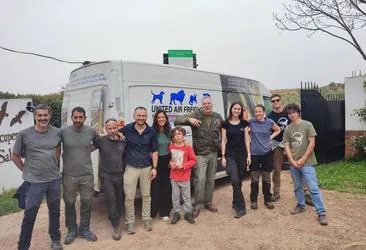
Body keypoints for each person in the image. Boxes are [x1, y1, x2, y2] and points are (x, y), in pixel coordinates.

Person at [12, 104, 63, 250]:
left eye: (45, 115)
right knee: (30, 214)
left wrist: (54, 165)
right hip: (34, 182)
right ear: (35, 116)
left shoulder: (57, 133)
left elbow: (58, 150)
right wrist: (26, 171)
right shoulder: (24, 134)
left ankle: (55, 239)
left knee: (55, 211)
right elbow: (15, 156)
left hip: (53, 180)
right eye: (39, 115)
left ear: (50, 116)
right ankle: (23, 246)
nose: (43, 118)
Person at [174, 96, 223, 218]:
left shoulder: (217, 116)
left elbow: (224, 130)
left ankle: (208, 202)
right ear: (202, 105)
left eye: (209, 103)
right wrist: (189, 119)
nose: (207, 105)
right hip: (200, 154)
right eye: (204, 103)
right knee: (200, 180)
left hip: (213, 152)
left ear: (212, 104)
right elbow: (177, 120)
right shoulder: (195, 114)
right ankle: (197, 205)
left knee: (211, 179)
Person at [283, 103, 328, 225]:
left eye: (293, 112)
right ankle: (301, 205)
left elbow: (312, 143)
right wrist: (291, 160)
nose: (291, 115)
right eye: (289, 113)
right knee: (297, 187)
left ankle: (321, 212)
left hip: (307, 162)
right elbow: (286, 145)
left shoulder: (307, 125)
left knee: (313, 188)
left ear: (298, 112)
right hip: (293, 163)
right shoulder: (288, 128)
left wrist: (303, 159)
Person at [61, 107, 98, 244]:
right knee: (69, 203)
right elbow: (55, 145)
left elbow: (99, 141)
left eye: (80, 117)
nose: (78, 120)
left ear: (85, 118)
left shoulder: (91, 131)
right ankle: (71, 230)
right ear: (71, 118)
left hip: (86, 174)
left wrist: (89, 149)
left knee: (87, 202)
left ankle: (84, 229)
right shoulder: (64, 132)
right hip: (69, 175)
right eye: (75, 117)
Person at [120, 106, 158, 234]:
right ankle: (130, 223)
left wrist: (154, 168)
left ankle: (146, 219)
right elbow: (113, 132)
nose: (141, 118)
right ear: (134, 116)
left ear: (146, 117)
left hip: (146, 168)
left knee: (146, 195)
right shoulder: (126, 129)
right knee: (129, 197)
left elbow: (154, 151)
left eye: (143, 116)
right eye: (139, 115)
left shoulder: (151, 132)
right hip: (131, 167)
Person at [93, 118, 126, 240]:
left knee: (119, 199)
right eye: (109, 128)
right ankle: (116, 226)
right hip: (106, 175)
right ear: (106, 129)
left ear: (118, 128)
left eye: (114, 128)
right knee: (111, 198)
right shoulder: (101, 140)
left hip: (120, 174)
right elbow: (89, 147)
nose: (112, 131)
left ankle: (115, 216)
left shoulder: (123, 140)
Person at [221, 102, 251, 218]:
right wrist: (223, 156)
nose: (237, 111)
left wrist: (249, 155)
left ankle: (235, 202)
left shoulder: (245, 123)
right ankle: (241, 207)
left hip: (242, 154)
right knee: (234, 179)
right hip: (230, 155)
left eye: (239, 109)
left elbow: (247, 140)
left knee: (239, 180)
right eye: (235, 108)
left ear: (241, 111)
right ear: (231, 109)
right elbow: (223, 140)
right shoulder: (225, 124)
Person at [248, 104, 281, 210]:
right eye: (256, 111)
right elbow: (244, 128)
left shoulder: (269, 122)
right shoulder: (251, 122)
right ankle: (253, 200)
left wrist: (270, 137)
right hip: (254, 154)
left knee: (266, 178)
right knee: (254, 178)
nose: (257, 113)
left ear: (264, 112)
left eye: (259, 111)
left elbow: (278, 130)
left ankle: (267, 199)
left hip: (267, 153)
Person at [168, 127, 197, 224]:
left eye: (179, 134)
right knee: (175, 196)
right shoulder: (171, 147)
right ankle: (176, 213)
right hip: (174, 176)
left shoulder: (187, 147)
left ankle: (188, 213)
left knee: (186, 196)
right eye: (175, 134)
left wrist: (183, 165)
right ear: (173, 136)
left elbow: (193, 160)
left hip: (185, 176)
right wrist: (170, 163)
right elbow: (170, 159)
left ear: (183, 135)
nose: (177, 136)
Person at [150, 110, 172, 222]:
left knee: (166, 187)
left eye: (163, 117)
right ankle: (153, 211)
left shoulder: (169, 131)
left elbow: (174, 145)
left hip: (166, 161)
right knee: (155, 187)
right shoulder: (152, 131)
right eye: (159, 117)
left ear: (166, 119)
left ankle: (164, 212)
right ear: (156, 119)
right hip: (155, 161)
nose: (161, 119)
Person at [267, 94, 290, 202]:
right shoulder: (270, 116)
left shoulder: (288, 113)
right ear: (271, 103)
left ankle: (305, 193)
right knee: (276, 168)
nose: (275, 102)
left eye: (277, 100)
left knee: (300, 166)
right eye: (273, 101)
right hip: (277, 144)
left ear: (281, 101)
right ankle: (276, 193)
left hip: (291, 143)